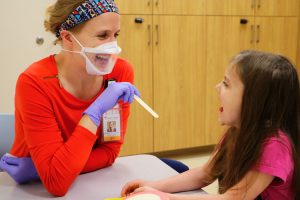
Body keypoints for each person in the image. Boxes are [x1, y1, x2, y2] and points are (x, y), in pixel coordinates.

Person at [0, 0, 140, 197]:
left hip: (86, 185)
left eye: (115, 35)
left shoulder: (119, 72)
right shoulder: (34, 82)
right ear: (68, 38)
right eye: (102, 36)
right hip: (31, 190)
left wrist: (53, 169)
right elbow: (57, 184)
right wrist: (95, 112)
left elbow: (109, 152)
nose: (113, 47)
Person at [121, 50, 300, 200]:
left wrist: (165, 197)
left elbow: (233, 198)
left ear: (255, 102)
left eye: (226, 84)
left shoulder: (274, 147)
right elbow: (205, 174)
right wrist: (154, 186)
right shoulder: (235, 133)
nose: (217, 87)